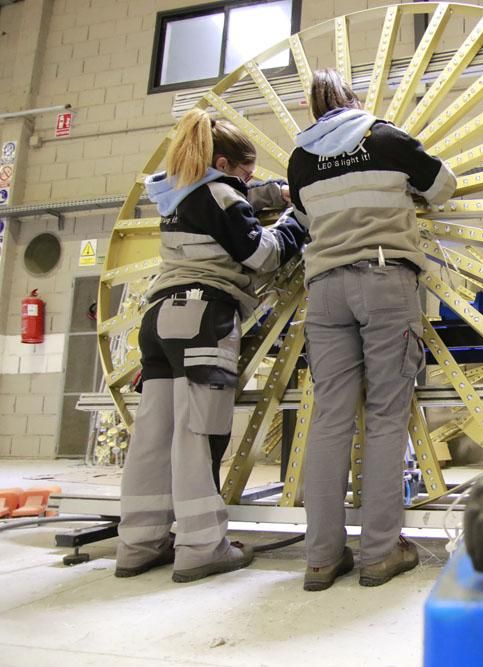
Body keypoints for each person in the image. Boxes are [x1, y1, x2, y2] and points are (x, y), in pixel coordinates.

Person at [115, 109, 307, 582]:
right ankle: (202, 547)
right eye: (245, 173)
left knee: (153, 436)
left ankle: (138, 543)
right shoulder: (222, 195)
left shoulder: (174, 195)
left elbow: (228, 201)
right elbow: (261, 255)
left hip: (159, 319)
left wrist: (260, 192)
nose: (248, 183)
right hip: (203, 317)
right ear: (223, 163)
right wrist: (293, 219)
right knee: (199, 433)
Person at [287, 69, 456, 591]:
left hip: (325, 290)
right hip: (384, 281)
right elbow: (444, 187)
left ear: (315, 109)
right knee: (385, 416)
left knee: (330, 420)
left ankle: (320, 558)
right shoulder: (383, 137)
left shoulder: (300, 159)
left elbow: (302, 214)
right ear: (353, 99)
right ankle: (380, 553)